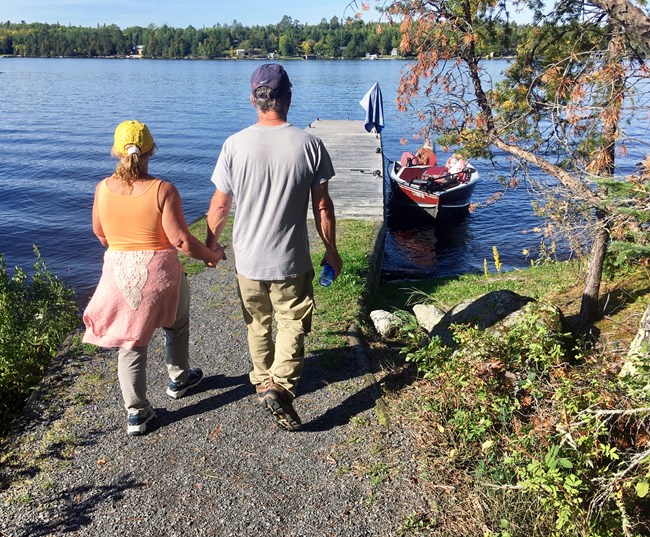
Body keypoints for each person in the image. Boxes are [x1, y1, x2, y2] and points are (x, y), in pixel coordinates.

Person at [206, 63, 343, 431]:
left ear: (253, 99)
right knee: (292, 321)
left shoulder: (234, 144)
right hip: (290, 259)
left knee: (257, 323)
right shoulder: (309, 145)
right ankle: (280, 387)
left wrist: (211, 245)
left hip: (248, 260)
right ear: (288, 99)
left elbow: (220, 205)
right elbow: (323, 207)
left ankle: (263, 380)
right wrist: (331, 249)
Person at [83, 120, 226, 436]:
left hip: (119, 276)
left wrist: (123, 253)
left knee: (131, 343)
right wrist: (212, 256)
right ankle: (178, 378)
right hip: (161, 276)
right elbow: (181, 242)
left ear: (116, 152)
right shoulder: (163, 190)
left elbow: (99, 232)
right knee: (176, 323)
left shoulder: (102, 189)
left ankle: (137, 413)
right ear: (151, 151)